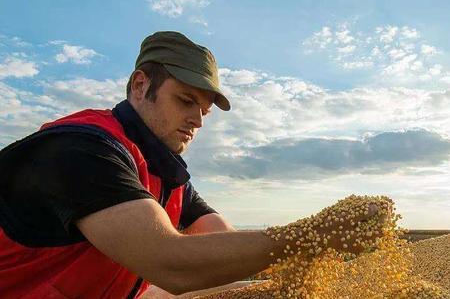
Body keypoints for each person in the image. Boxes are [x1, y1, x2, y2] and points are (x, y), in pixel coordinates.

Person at [0, 31, 382, 298]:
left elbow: (222, 241)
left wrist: (315, 260)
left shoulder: (166, 172)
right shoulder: (83, 150)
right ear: (139, 86)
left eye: (204, 110)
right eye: (185, 101)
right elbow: (171, 265)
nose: (198, 120)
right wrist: (313, 233)